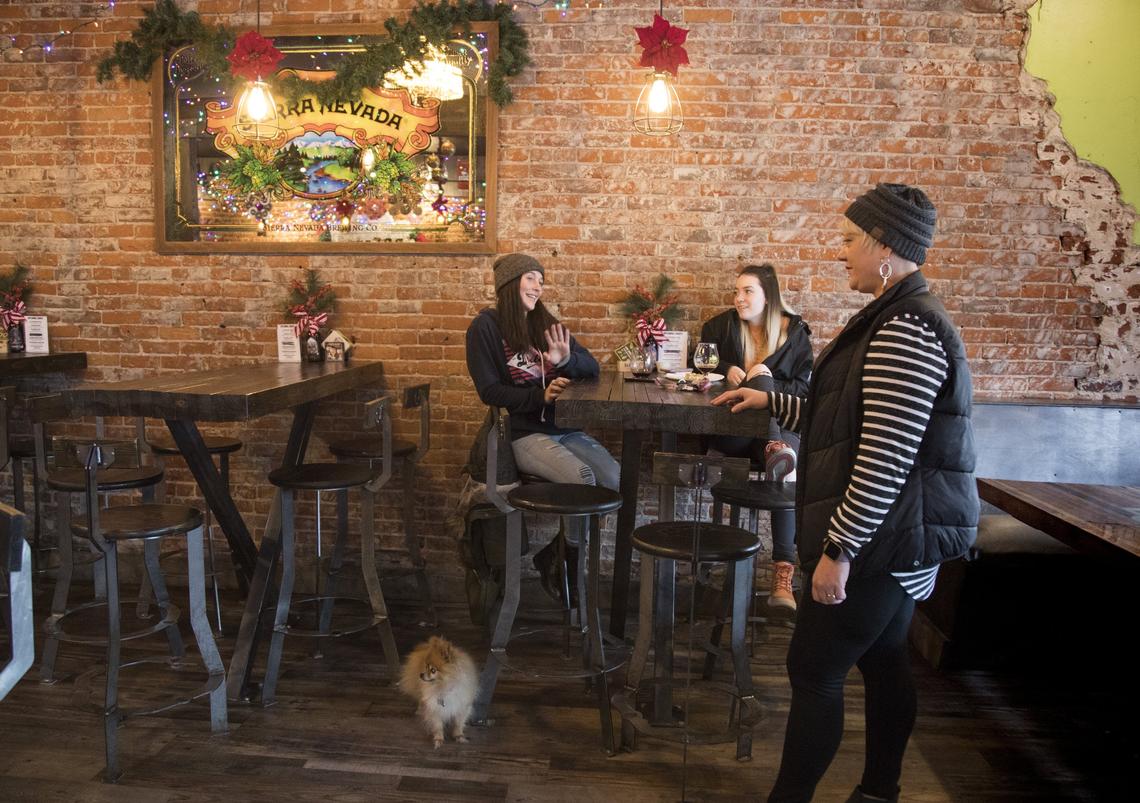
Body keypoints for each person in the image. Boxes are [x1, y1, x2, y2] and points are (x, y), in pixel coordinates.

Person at [712, 184, 979, 803]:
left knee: (813, 671)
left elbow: (886, 455)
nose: (842, 253)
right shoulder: (895, 312)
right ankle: (880, 790)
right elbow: (852, 415)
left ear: (885, 247)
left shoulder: (907, 326)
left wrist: (840, 549)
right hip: (896, 541)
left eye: (849, 241)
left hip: (880, 542)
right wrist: (773, 401)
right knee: (885, 661)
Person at [466, 253, 620, 597]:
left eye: (541, 280)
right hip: (522, 432)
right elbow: (489, 391)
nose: (538, 286)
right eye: (530, 277)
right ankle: (568, 565)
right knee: (582, 478)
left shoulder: (544, 323)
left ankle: (557, 553)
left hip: (564, 428)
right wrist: (541, 397)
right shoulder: (485, 328)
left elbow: (591, 366)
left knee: (614, 478)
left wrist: (566, 361)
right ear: (508, 282)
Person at [698, 263, 813, 612]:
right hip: (733, 431)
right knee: (783, 459)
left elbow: (805, 390)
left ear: (769, 296)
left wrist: (762, 384)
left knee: (787, 473)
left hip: (778, 427)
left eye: (748, 291)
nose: (738, 298)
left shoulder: (795, 333)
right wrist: (724, 371)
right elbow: (698, 365)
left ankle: (782, 574)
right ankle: (774, 445)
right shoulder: (720, 326)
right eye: (737, 291)